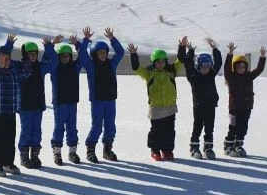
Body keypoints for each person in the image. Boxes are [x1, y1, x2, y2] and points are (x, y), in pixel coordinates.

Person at [128, 38, 186, 161]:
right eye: (158, 62)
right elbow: (136, 68)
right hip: (156, 108)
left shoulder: (171, 72)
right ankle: (155, 150)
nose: (161, 64)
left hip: (170, 107)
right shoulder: (149, 74)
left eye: (163, 62)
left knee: (169, 131)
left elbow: (180, 61)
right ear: (154, 63)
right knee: (156, 131)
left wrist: (182, 47)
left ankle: (167, 150)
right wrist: (133, 54)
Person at [79, 27, 125, 163]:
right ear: (94, 54)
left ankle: (107, 149)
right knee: (97, 126)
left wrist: (112, 39)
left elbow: (121, 52)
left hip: (110, 100)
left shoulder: (111, 64)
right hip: (97, 101)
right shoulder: (90, 65)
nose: (104, 55)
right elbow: (81, 55)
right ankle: (90, 150)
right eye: (101, 53)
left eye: (105, 52)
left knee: (111, 126)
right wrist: (86, 39)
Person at [0, 35, 32, 176]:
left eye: (8, 58)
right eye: (3, 58)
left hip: (10, 111)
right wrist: (7, 45)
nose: (6, 60)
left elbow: (26, 73)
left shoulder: (13, 72)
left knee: (10, 138)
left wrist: (26, 58)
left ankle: (8, 163)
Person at [18, 36, 61, 168]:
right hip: (24, 105)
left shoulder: (41, 67)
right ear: (25, 55)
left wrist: (49, 46)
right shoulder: (19, 67)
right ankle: (24, 155)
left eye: (35, 54)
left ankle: (35, 155)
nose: (33, 56)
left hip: (37, 104)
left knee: (37, 131)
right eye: (30, 54)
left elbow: (54, 61)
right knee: (26, 131)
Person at [49, 32, 88, 165]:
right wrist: (51, 45)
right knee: (59, 127)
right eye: (63, 56)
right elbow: (49, 57)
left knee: (72, 127)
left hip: (71, 101)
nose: (65, 58)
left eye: (68, 55)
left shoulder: (75, 67)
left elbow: (83, 56)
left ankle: (72, 152)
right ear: (59, 57)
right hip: (59, 102)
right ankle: (57, 153)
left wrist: (79, 44)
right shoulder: (54, 68)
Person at [223, 42, 267, 157]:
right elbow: (226, 69)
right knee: (233, 127)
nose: (241, 69)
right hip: (234, 108)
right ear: (234, 67)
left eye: (243, 67)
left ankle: (238, 145)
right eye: (238, 67)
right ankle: (228, 146)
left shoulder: (249, 76)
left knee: (243, 127)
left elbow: (259, 69)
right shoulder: (231, 77)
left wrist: (262, 57)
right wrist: (230, 54)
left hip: (246, 107)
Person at [182, 38, 222, 159]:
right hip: (199, 106)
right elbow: (188, 65)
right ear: (198, 66)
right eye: (203, 67)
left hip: (211, 106)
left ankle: (208, 148)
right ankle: (194, 148)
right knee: (197, 127)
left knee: (210, 128)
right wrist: (190, 52)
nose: (206, 69)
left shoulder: (211, 75)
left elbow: (218, 62)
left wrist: (214, 49)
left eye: (208, 67)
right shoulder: (193, 77)